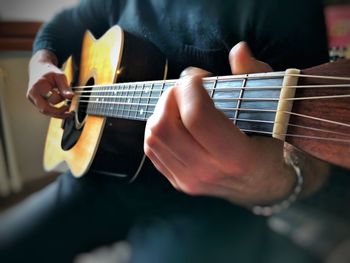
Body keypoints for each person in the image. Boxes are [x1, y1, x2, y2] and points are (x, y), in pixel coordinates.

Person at [0, 0, 331, 262]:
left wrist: (263, 178)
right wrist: (41, 62)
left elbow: (313, 155)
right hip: (98, 175)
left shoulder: (284, 8)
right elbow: (66, 21)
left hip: (210, 204)